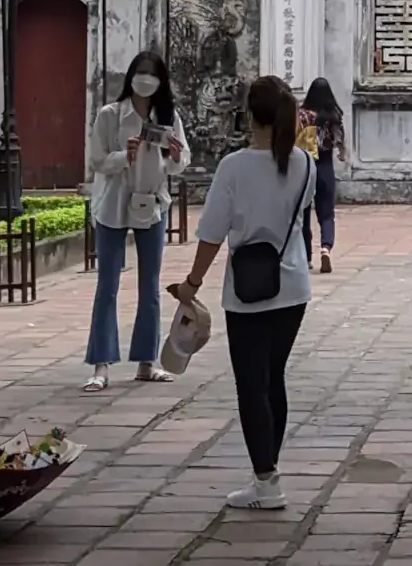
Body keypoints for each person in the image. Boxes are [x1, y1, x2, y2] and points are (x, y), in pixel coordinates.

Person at [175, 75, 317, 511]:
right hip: (292, 287)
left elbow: (212, 233)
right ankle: (268, 472)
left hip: (248, 292)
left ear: (249, 115)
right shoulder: (305, 164)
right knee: (273, 380)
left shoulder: (234, 167)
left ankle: (266, 480)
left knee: (251, 386)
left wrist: (191, 285)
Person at [84, 50, 186, 392]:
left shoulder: (167, 116)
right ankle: (101, 364)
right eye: (140, 72)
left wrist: (173, 155)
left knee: (151, 287)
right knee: (107, 285)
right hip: (113, 204)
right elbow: (97, 160)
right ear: (131, 77)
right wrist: (121, 156)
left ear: (161, 82)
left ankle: (147, 361)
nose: (145, 79)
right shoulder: (110, 115)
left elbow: (180, 161)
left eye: (152, 74)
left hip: (151, 202)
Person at [299, 78, 344, 273]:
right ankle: (326, 248)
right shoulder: (333, 116)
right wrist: (343, 152)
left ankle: (306, 257)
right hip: (325, 166)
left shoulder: (302, 116)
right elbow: (340, 143)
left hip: (305, 167)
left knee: (303, 213)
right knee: (326, 214)